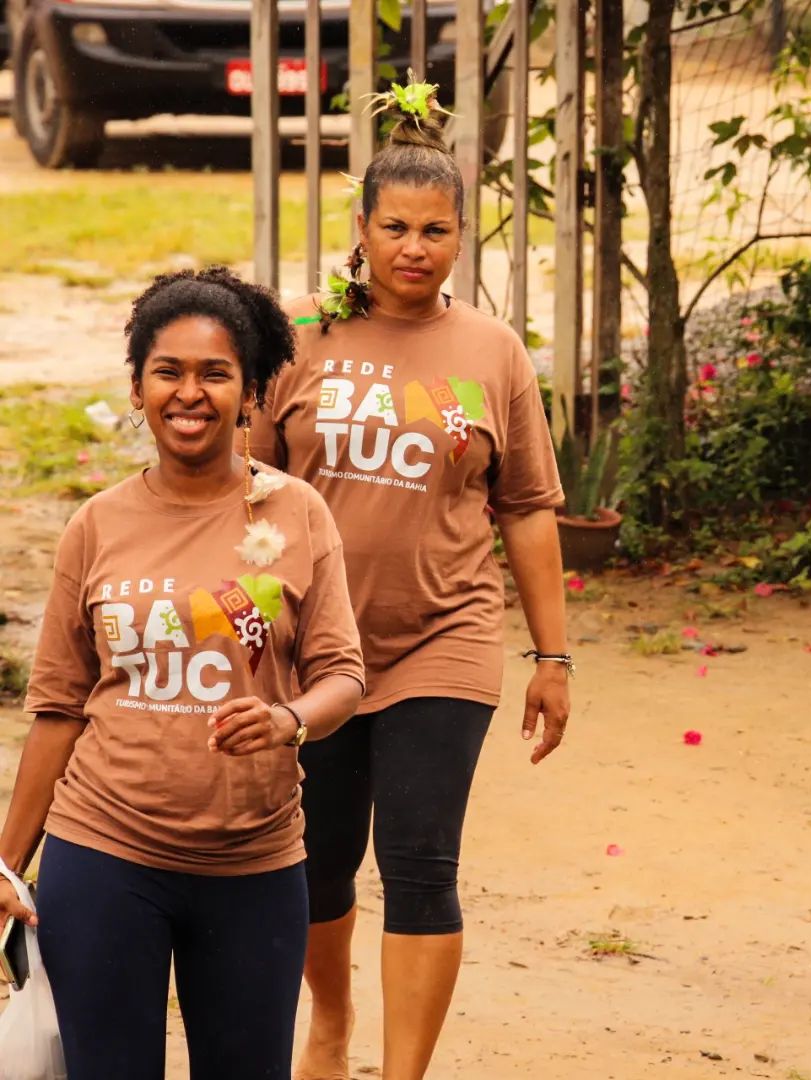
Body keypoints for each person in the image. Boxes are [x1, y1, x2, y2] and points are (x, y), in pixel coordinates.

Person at [247, 81, 571, 1080]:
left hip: (448, 635)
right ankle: (333, 1025)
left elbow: (523, 506)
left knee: (422, 860)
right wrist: (252, 634)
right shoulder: (298, 338)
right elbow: (242, 495)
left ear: (462, 237)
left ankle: (406, 1072)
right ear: (362, 226)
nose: (415, 247)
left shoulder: (491, 351)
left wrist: (552, 656)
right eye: (396, 226)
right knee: (320, 858)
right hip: (312, 648)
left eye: (437, 230)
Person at [0, 267, 367, 1078]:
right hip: (102, 855)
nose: (189, 394)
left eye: (215, 374)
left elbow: (344, 673)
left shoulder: (299, 513)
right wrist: (4, 862)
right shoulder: (94, 527)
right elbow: (59, 708)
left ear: (250, 392)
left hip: (255, 867)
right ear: (137, 388)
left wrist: (290, 719)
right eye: (168, 372)